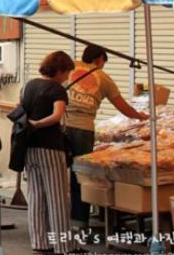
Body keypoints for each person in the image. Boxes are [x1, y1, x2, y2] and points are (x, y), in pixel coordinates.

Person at [65, 44, 148, 226]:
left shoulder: (69, 67)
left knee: (58, 173)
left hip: (61, 126)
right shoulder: (103, 78)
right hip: (83, 129)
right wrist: (142, 116)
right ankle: (79, 221)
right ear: (99, 59)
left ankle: (57, 217)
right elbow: (122, 106)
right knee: (80, 174)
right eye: (103, 62)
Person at [24, 50, 76, 254]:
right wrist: (38, 123)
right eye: (67, 73)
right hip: (50, 147)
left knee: (36, 195)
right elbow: (57, 116)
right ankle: (64, 245)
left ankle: (40, 241)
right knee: (57, 197)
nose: (67, 78)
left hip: (29, 147)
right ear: (60, 70)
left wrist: (32, 124)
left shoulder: (30, 85)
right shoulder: (57, 89)